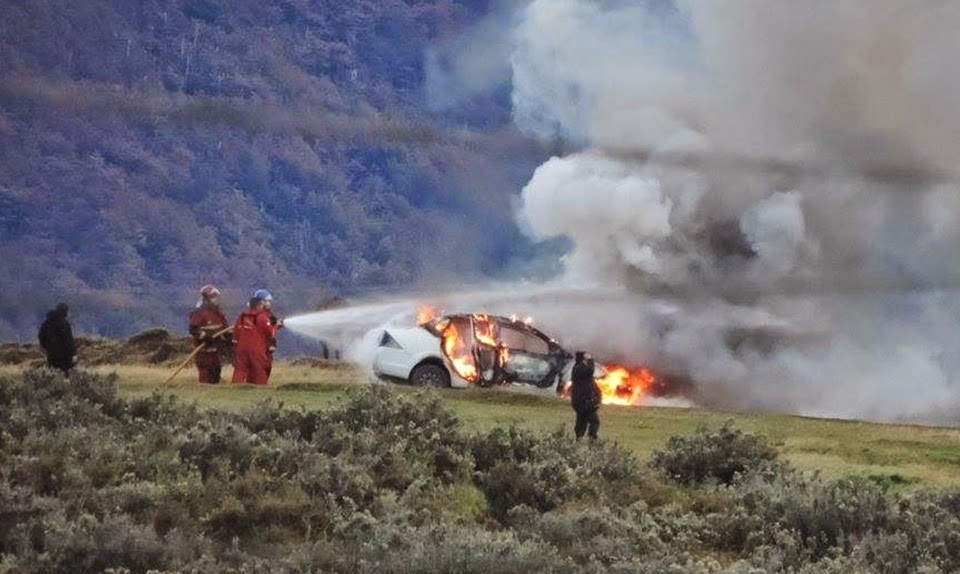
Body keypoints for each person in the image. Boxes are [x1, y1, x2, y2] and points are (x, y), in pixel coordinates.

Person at [232, 289, 283, 385]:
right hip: (258, 350)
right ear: (261, 302)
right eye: (267, 301)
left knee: (240, 369)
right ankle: (260, 389)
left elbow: (236, 333)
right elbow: (270, 332)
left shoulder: (243, 316)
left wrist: (235, 346)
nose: (269, 303)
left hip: (241, 349)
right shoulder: (262, 317)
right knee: (260, 370)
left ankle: (236, 388)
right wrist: (278, 326)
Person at [188, 284, 230, 384]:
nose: (216, 299)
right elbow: (193, 329)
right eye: (213, 297)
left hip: (216, 351)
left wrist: (229, 337)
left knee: (216, 372)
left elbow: (224, 328)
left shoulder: (218, 313)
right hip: (203, 351)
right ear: (207, 298)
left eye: (216, 297)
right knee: (205, 376)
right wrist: (204, 336)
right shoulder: (199, 313)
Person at [570, 351, 601, 441]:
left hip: (579, 401)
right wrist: (591, 359)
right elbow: (591, 370)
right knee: (594, 421)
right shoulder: (580, 369)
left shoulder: (577, 368)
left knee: (581, 421)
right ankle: (592, 440)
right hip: (584, 402)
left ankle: (578, 439)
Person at [38, 302, 77, 374]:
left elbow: (41, 336)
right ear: (65, 311)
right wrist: (73, 353)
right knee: (66, 376)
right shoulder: (64, 323)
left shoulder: (47, 322)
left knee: (53, 374)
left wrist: (47, 348)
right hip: (65, 357)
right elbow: (68, 340)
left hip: (51, 355)